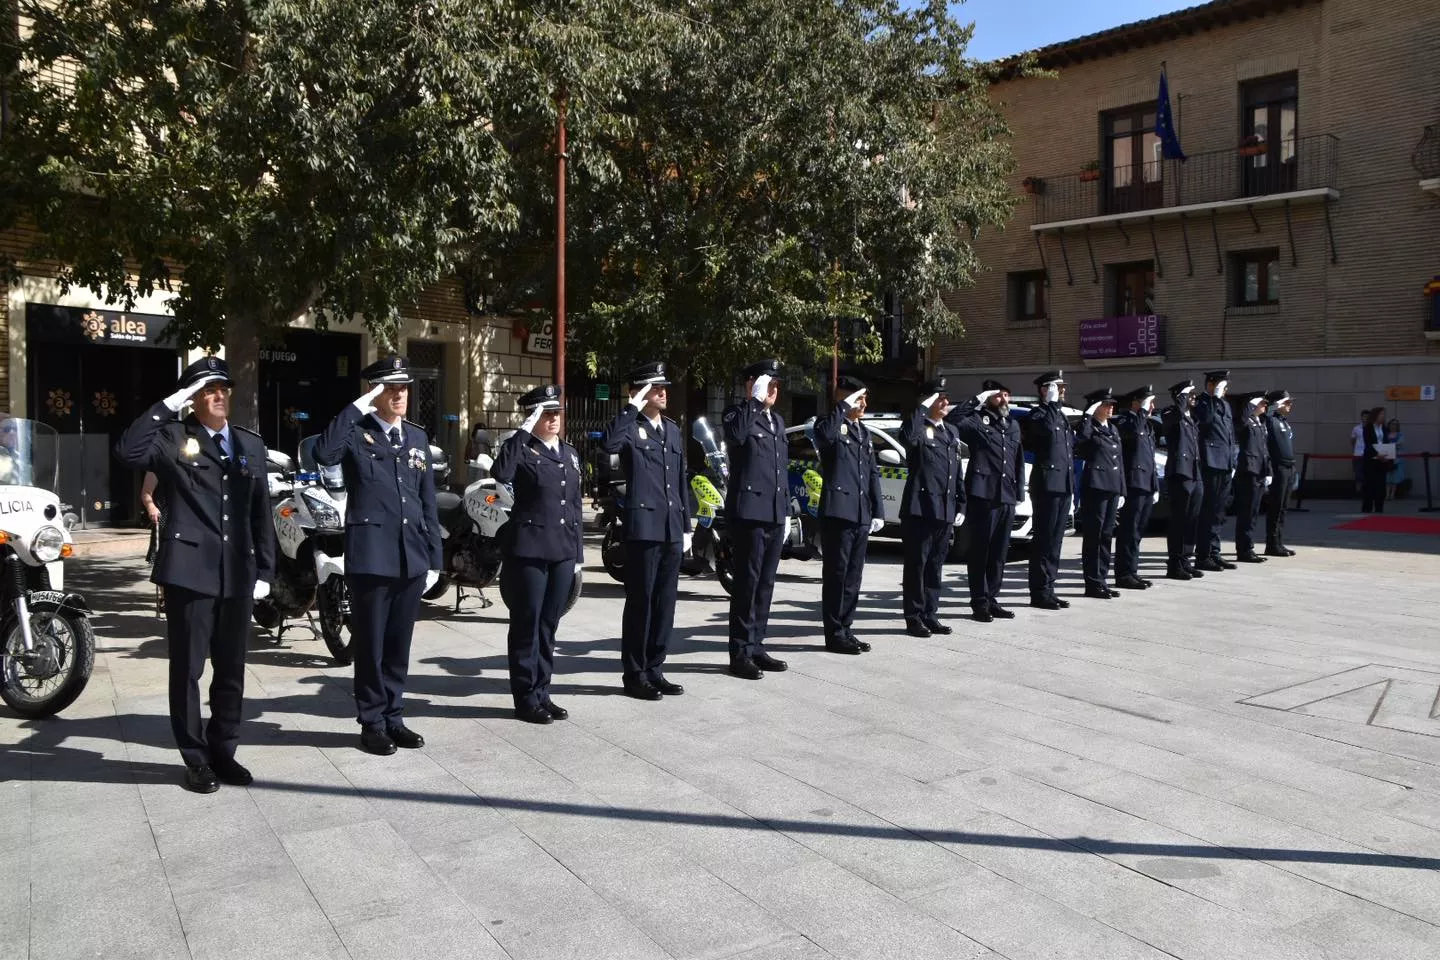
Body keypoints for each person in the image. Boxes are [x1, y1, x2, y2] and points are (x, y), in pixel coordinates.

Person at [115, 357, 275, 793]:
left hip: (237, 574)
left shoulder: (250, 445)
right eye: (208, 389)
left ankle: (224, 751)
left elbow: (260, 512)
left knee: (232, 669)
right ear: (193, 398)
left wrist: (265, 568)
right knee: (187, 669)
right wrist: (170, 403)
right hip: (190, 572)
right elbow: (129, 450)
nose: (219, 395)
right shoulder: (172, 438)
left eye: (223, 387)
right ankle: (195, 758)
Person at [314, 355, 442, 752]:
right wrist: (356, 407)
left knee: (399, 643)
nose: (400, 393)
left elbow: (427, 501)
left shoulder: (417, 438)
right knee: (370, 644)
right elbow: (324, 453)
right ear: (374, 392)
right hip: (371, 555)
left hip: (411, 555)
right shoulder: (355, 433)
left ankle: (394, 715)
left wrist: (435, 558)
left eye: (404, 387)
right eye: (391, 387)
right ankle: (372, 721)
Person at [491, 384, 585, 723]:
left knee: (549, 624)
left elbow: (574, 505)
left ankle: (543, 691)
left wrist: (577, 553)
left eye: (556, 412)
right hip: (529, 550)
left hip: (561, 549)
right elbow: (500, 473)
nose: (554, 418)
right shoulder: (521, 448)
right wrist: (523, 430)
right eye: (545, 414)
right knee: (526, 624)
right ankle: (525, 697)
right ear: (532, 416)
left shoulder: (570, 453)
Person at [602, 361, 690, 699]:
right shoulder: (629, 427)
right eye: (655, 387)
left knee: (665, 602)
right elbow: (609, 445)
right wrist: (629, 409)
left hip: (670, 527)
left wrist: (685, 526)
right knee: (641, 602)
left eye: (663, 387)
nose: (663, 392)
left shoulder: (671, 428)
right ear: (638, 392)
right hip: (643, 527)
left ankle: (656, 667)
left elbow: (680, 479)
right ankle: (635, 673)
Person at [722, 359, 791, 679]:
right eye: (768, 384)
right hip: (749, 513)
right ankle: (739, 652)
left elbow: (779, 472)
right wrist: (753, 401)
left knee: (765, 584)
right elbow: (735, 436)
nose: (773, 390)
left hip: (774, 513)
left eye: (776, 385)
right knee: (746, 584)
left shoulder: (776, 422)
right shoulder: (737, 414)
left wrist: (786, 511)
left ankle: (757, 646)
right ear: (751, 384)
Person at [948, 380, 1025, 623]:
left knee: (1000, 553)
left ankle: (992, 598)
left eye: (1006, 396)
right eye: (999, 396)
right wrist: (976, 399)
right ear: (989, 398)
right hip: (983, 495)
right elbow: (953, 421)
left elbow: (1017, 460)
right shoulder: (977, 421)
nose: (1004, 400)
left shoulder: (1012, 424)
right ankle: (979, 602)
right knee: (981, 551)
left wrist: (1019, 493)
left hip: (1006, 496)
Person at [898, 377, 964, 636]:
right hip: (921, 508)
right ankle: (914, 617)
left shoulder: (951, 431)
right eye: (939, 398)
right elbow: (908, 440)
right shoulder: (916, 426)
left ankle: (930, 613)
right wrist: (921, 409)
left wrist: (961, 503)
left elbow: (955, 470)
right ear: (927, 401)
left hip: (945, 508)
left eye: (946, 397)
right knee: (917, 565)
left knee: (935, 565)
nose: (945, 402)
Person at [1024, 370, 1073, 611]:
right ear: (1045, 389)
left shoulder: (1059, 416)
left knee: (1055, 541)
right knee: (1043, 540)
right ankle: (1039, 591)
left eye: (1062, 388)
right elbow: (1043, 432)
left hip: (1062, 484)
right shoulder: (1039, 414)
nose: (1063, 391)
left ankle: (1049, 588)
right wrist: (1052, 404)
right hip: (1046, 485)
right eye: (1058, 387)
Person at [1075, 388, 1124, 599]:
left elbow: (1119, 462)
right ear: (1096, 407)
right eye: (1106, 404)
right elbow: (1081, 442)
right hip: (1096, 487)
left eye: (1112, 404)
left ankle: (1102, 579)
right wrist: (1088, 414)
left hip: (1112, 487)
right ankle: (1092, 583)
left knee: (1106, 535)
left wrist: (1122, 489)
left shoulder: (1112, 428)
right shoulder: (1089, 427)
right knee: (1094, 536)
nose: (1111, 408)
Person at [1114, 385, 1160, 591]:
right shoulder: (1126, 421)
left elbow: (1149, 458)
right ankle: (1123, 573)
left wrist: (1155, 485)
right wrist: (1140, 411)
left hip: (1146, 484)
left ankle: (1132, 571)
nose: (1151, 407)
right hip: (1133, 484)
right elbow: (1131, 435)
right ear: (1136, 402)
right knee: (1129, 531)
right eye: (1148, 402)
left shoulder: (1147, 425)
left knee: (1139, 531)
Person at [1160, 380, 1204, 581]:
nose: (1194, 398)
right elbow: (1170, 421)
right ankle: (1174, 563)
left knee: (1192, 521)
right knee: (1179, 520)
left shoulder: (1191, 417)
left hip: (1194, 473)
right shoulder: (1171, 413)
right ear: (1181, 397)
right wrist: (1180, 400)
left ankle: (1186, 559)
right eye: (1190, 395)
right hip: (1180, 474)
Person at [1195, 369, 1237, 572]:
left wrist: (1232, 461)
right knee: (1208, 511)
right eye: (1221, 385)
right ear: (1211, 385)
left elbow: (1229, 435)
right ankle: (1203, 555)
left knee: (1219, 512)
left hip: (1225, 463)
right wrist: (1213, 398)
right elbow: (1206, 422)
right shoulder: (1202, 403)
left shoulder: (1225, 405)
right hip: (1210, 463)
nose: (1225, 390)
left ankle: (1214, 552)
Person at [1233, 392, 1271, 563]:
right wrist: (1248, 405)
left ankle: (1249, 547)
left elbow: (1264, 451)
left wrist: (1268, 470)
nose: (1265, 405)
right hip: (1248, 472)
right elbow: (1240, 425)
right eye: (1261, 403)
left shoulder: (1260, 423)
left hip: (1259, 471)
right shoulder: (1246, 422)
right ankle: (1244, 549)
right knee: (1246, 512)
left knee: (1254, 512)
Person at [1264, 389, 1297, 557]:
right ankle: (1272, 543)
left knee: (1283, 507)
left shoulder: (1283, 421)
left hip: (1289, 467)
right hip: (1278, 468)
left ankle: (1279, 542)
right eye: (1287, 402)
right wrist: (1271, 409)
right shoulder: (1270, 420)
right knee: (1276, 507)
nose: (1290, 405)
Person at [1359, 405, 1390, 513]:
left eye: (1384, 414)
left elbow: (1386, 443)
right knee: (1369, 484)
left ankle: (1379, 507)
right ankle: (1367, 507)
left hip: (1382, 461)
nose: (1383, 416)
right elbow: (1368, 444)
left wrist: (1387, 455)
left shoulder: (1385, 429)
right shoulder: (1367, 428)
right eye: (1381, 414)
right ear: (1375, 415)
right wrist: (1377, 454)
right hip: (1370, 459)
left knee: (1381, 485)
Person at [1349, 410, 1372, 494]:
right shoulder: (1356, 428)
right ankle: (1358, 491)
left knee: (1368, 473)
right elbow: (1352, 440)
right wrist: (1356, 448)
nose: (1366, 418)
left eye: (1368, 416)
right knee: (1358, 473)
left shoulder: (1372, 428)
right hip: (1358, 454)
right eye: (1364, 416)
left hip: (1369, 454)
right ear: (1361, 417)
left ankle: (1367, 491)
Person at [1385, 418, 1406, 501]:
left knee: (1395, 477)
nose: (1393, 426)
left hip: (1396, 458)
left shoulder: (1400, 435)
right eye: (1392, 424)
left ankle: (1392, 494)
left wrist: (1391, 445)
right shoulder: (1386, 434)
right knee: (1387, 477)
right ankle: (1387, 494)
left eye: (1395, 425)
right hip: (1387, 457)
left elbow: (1399, 444)